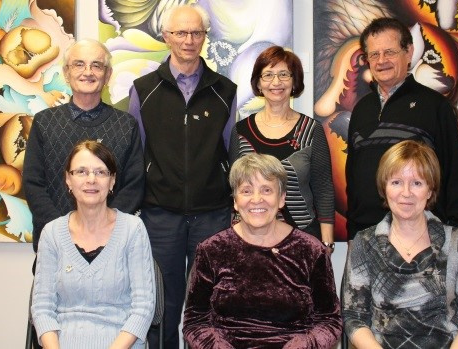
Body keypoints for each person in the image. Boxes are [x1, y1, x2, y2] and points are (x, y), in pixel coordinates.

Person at [127, 4, 237, 348]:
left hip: (212, 214)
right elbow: (136, 153)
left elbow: (232, 153)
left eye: (196, 33)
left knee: (207, 306)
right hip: (160, 215)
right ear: (166, 36)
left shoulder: (225, 90)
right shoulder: (143, 89)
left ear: (205, 37)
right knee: (163, 305)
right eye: (181, 33)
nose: (189, 40)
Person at [183, 153, 342, 348]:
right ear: (235, 201)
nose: (256, 200)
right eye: (246, 191)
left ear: (282, 198)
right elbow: (195, 322)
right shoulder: (211, 250)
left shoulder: (311, 250)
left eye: (266, 190)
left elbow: (329, 321)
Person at [342, 140, 458, 348]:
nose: (406, 193)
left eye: (417, 183)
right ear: (384, 188)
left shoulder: (455, 241)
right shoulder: (365, 243)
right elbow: (354, 316)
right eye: (396, 182)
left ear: (430, 191)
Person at [345, 17, 458, 240]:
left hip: (421, 238)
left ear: (409, 52)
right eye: (374, 54)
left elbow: (456, 175)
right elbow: (353, 180)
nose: (381, 60)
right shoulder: (361, 110)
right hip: (366, 239)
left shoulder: (435, 106)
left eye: (390, 52)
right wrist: (352, 233)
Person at [23, 38, 144, 254]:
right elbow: (33, 184)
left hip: (111, 245)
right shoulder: (43, 122)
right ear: (67, 73)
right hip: (55, 244)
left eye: (96, 65)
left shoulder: (126, 125)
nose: (87, 72)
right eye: (79, 64)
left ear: (107, 75)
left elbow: (133, 186)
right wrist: (63, 232)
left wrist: (105, 230)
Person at [31, 140, 155, 348]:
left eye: (101, 172)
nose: (91, 180)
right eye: (81, 171)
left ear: (112, 181)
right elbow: (43, 308)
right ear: (68, 180)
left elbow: (143, 308)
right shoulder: (51, 233)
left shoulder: (133, 230)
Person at [229, 45, 335, 252]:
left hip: (302, 237)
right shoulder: (241, 131)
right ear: (258, 83)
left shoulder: (311, 130)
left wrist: (327, 242)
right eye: (268, 75)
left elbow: (324, 188)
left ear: (294, 81)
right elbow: (234, 189)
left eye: (284, 74)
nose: (276, 82)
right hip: (250, 238)